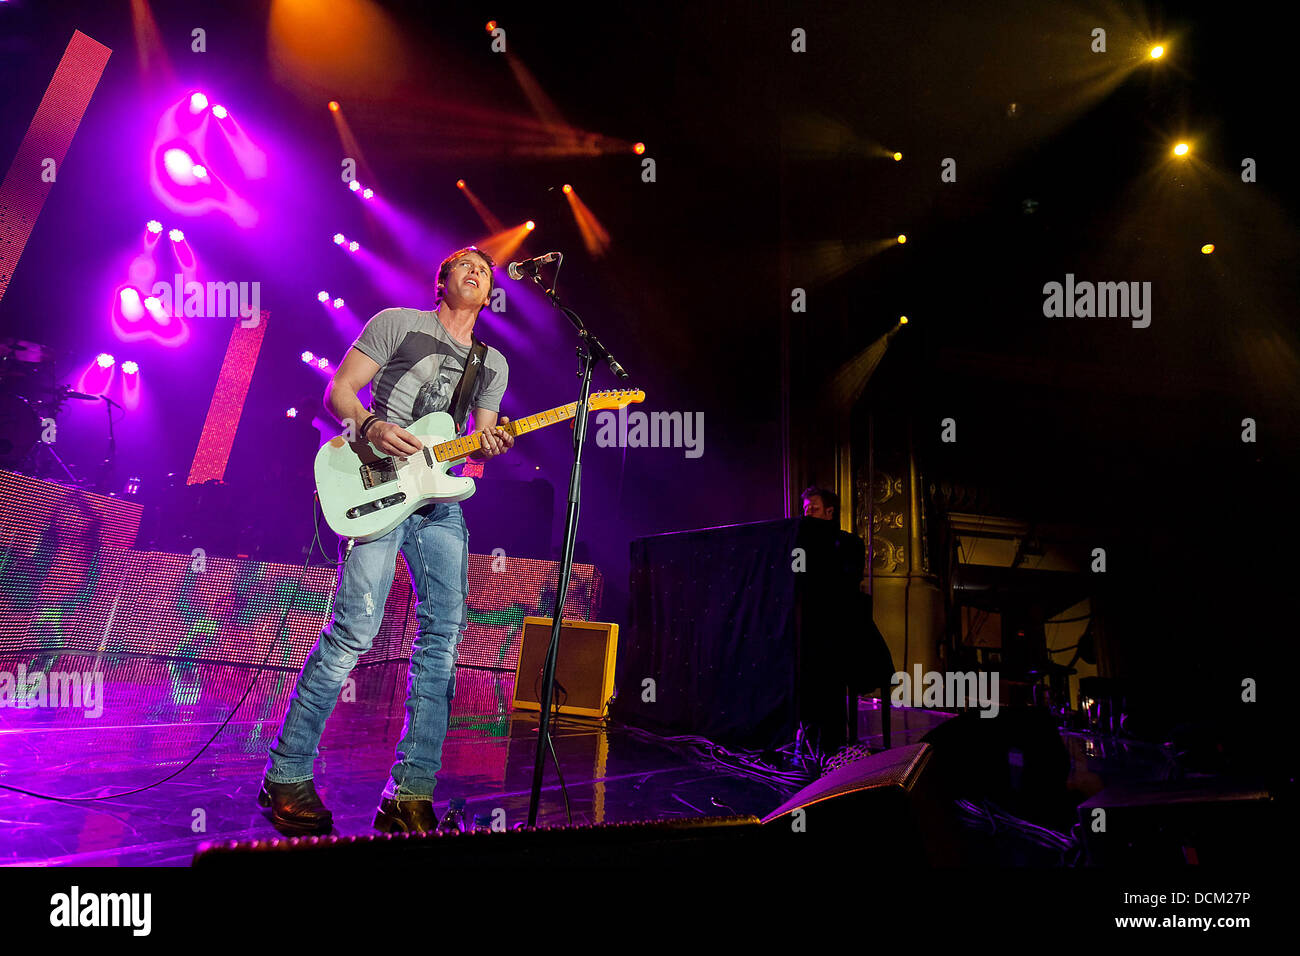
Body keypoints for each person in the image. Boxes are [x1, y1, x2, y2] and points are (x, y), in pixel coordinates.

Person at [260, 246, 513, 835]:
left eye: (486, 270)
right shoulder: (397, 324)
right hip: (375, 485)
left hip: (439, 505)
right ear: (441, 281)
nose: (478, 272)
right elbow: (338, 393)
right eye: (466, 266)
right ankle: (288, 773)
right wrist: (371, 425)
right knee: (355, 631)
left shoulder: (492, 363)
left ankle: (410, 793)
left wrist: (490, 447)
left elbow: (475, 442)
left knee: (443, 641)